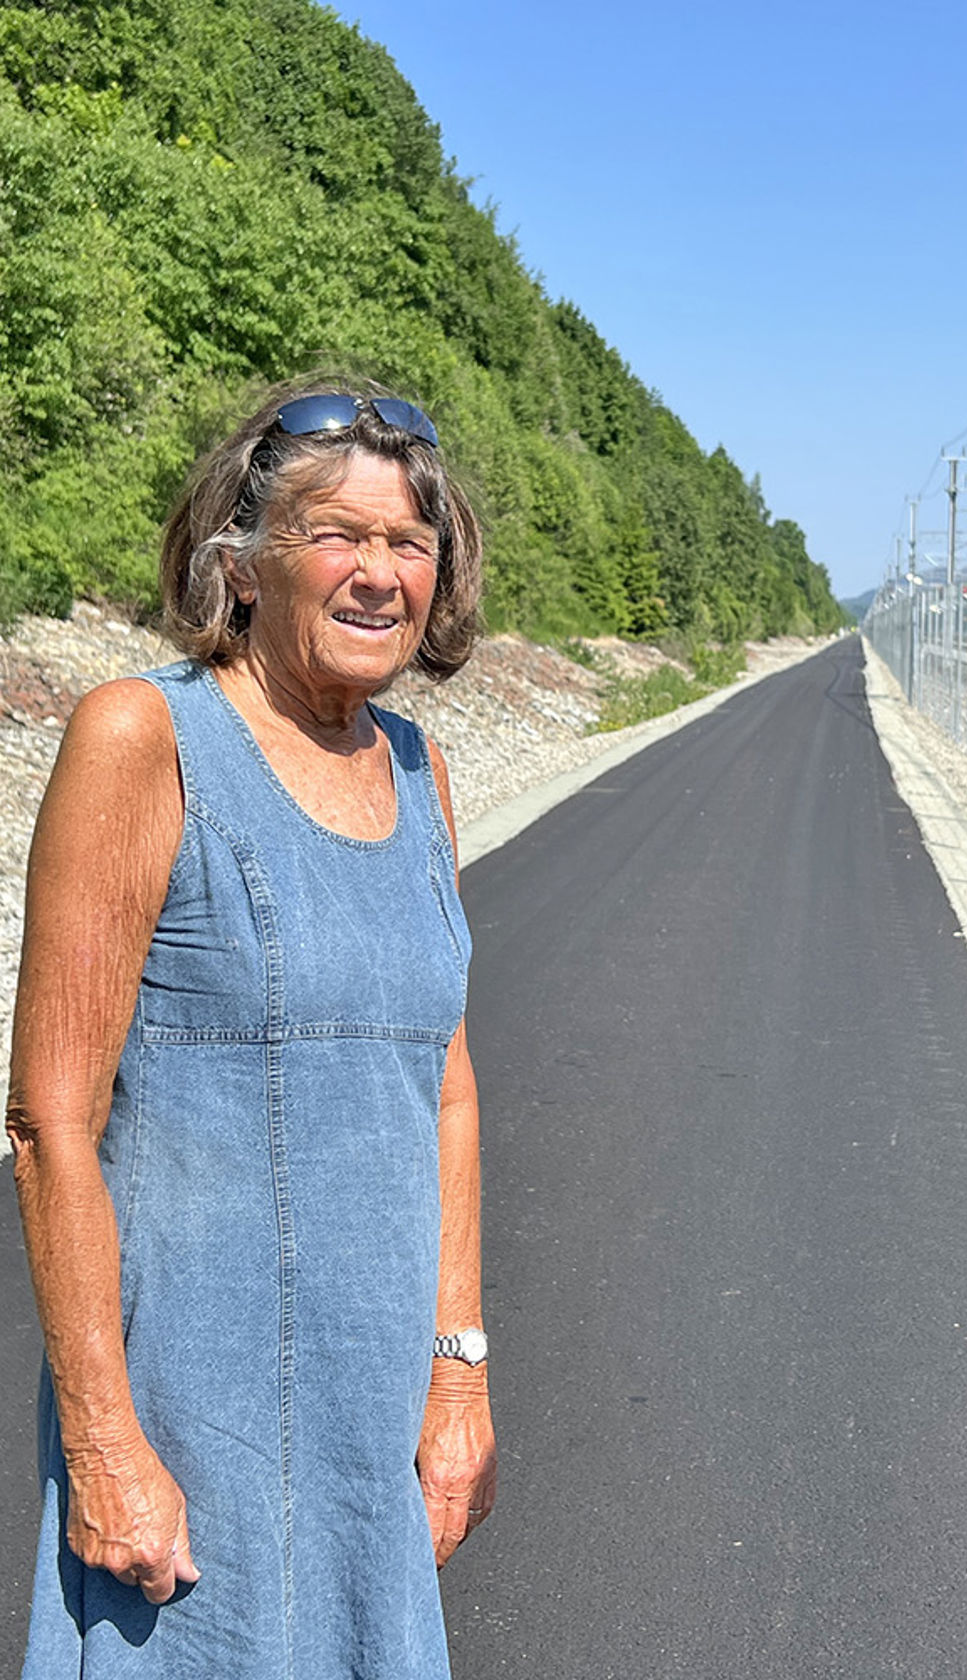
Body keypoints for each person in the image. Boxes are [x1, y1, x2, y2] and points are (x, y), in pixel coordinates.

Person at [7, 382, 498, 1678]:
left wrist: (459, 1377)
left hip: (368, 1426)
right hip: (189, 1434)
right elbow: (50, 1118)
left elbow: (441, 1090)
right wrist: (104, 1439)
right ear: (240, 560)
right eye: (335, 533)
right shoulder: (145, 739)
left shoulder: (418, 769)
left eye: (409, 542)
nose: (379, 573)